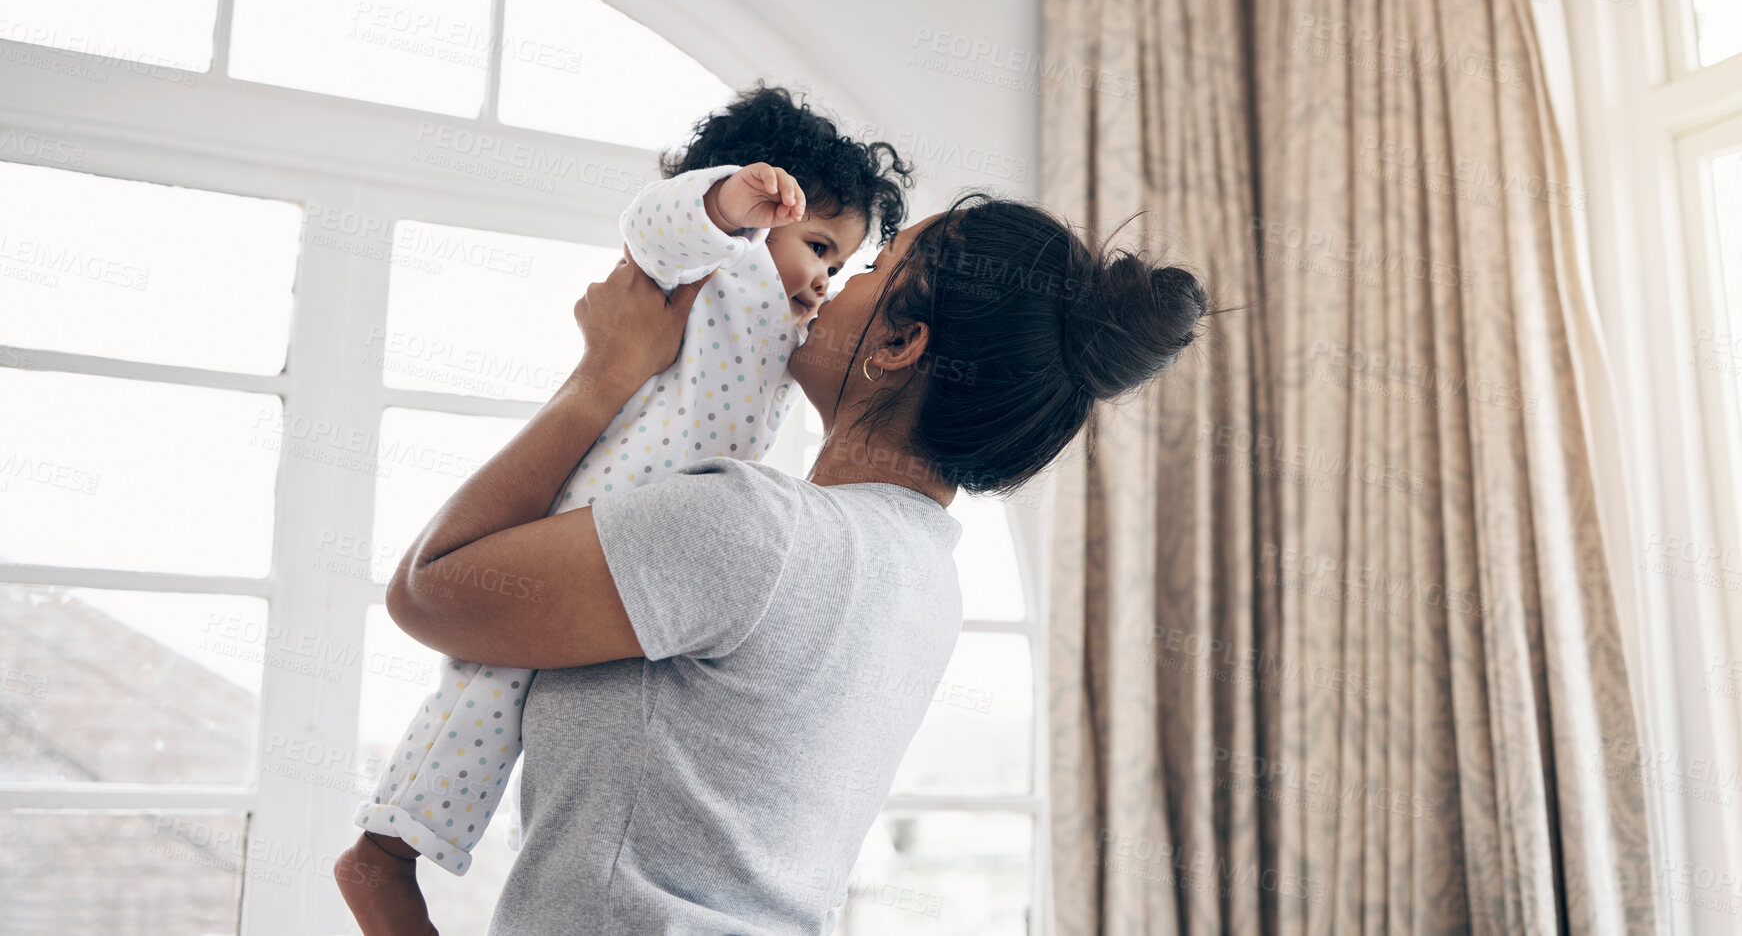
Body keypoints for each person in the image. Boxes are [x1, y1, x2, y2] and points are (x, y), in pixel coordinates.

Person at [338, 190, 1208, 935]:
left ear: (899, 343)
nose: (826, 282)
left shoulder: (753, 529)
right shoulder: (924, 574)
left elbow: (431, 588)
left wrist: (603, 375)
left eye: (871, 269)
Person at [343, 86, 912, 877]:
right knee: (489, 680)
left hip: (654, 525)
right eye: (818, 247)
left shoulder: (787, 321)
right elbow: (655, 226)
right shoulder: (725, 262)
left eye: (843, 265)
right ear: (763, 208)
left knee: (541, 700)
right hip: (606, 494)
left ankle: (477, 842)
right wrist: (725, 201)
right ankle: (388, 845)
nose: (825, 280)